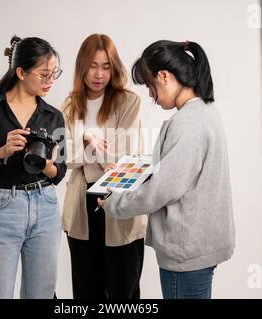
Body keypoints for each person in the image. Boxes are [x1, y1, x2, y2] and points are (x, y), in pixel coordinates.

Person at [98, 40, 235, 299]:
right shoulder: (206, 112)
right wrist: (136, 167)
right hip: (201, 245)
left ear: (164, 76)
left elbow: (162, 189)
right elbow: (178, 170)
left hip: (186, 251)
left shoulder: (187, 122)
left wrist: (115, 203)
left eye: (150, 86)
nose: (151, 95)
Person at [0, 36, 67, 299]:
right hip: (2, 208)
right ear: (20, 72)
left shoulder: (54, 116)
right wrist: (2, 151)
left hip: (45, 206)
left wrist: (46, 165)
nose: (50, 80)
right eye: (44, 74)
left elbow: (60, 172)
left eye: (54, 73)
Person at [61, 34, 147, 299]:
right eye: (93, 66)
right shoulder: (68, 106)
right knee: (87, 292)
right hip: (80, 207)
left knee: (124, 293)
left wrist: (84, 147)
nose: (99, 74)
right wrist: (92, 143)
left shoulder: (129, 101)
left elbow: (126, 155)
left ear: (114, 68)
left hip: (119, 200)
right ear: (82, 67)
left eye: (106, 66)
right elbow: (62, 156)